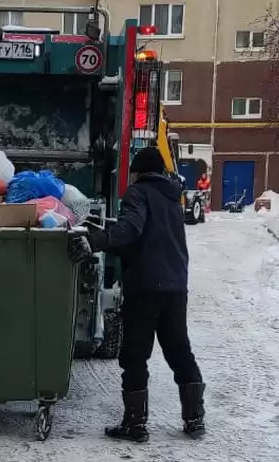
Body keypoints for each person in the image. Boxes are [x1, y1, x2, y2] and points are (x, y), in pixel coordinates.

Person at [86, 146, 205, 443]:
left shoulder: (138, 193)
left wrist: (96, 241)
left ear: (138, 172)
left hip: (145, 288)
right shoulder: (171, 197)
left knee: (135, 355)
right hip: (175, 287)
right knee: (179, 351)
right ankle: (194, 419)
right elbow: (152, 231)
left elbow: (131, 230)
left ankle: (135, 425)